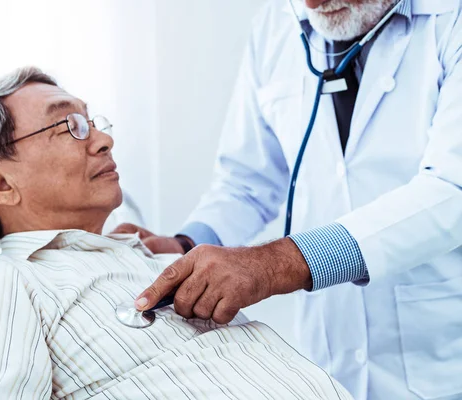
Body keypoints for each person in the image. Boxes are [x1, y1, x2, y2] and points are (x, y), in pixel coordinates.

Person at [0, 67, 352, 399]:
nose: (103, 140)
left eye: (93, 122)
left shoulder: (152, 261)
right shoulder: (7, 283)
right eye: (69, 127)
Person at [116, 0, 462, 399]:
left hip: (441, 354)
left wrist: (277, 264)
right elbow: (248, 179)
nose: (312, 4)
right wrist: (185, 244)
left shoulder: (450, 20)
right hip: (327, 356)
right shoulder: (277, 26)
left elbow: (452, 191)